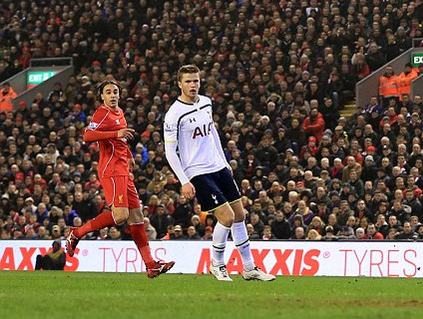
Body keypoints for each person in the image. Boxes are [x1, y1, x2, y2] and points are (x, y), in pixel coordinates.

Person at [163, 65, 274, 282]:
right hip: (197, 171)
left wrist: (224, 161)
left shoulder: (206, 102)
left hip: (218, 166)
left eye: (196, 81)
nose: (193, 85)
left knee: (240, 215)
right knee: (227, 217)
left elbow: (212, 132)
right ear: (179, 84)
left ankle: (249, 267)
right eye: (188, 81)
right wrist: (184, 180)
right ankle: (217, 263)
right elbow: (169, 151)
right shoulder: (174, 114)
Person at [64, 78, 174, 278]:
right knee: (121, 216)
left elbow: (120, 140)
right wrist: (116, 133)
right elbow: (87, 136)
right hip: (112, 170)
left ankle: (151, 265)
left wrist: (129, 155)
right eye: (108, 92)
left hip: (123, 169)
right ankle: (77, 233)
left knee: (137, 217)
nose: (113, 95)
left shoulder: (120, 112)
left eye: (115, 92)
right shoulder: (102, 113)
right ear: (102, 96)